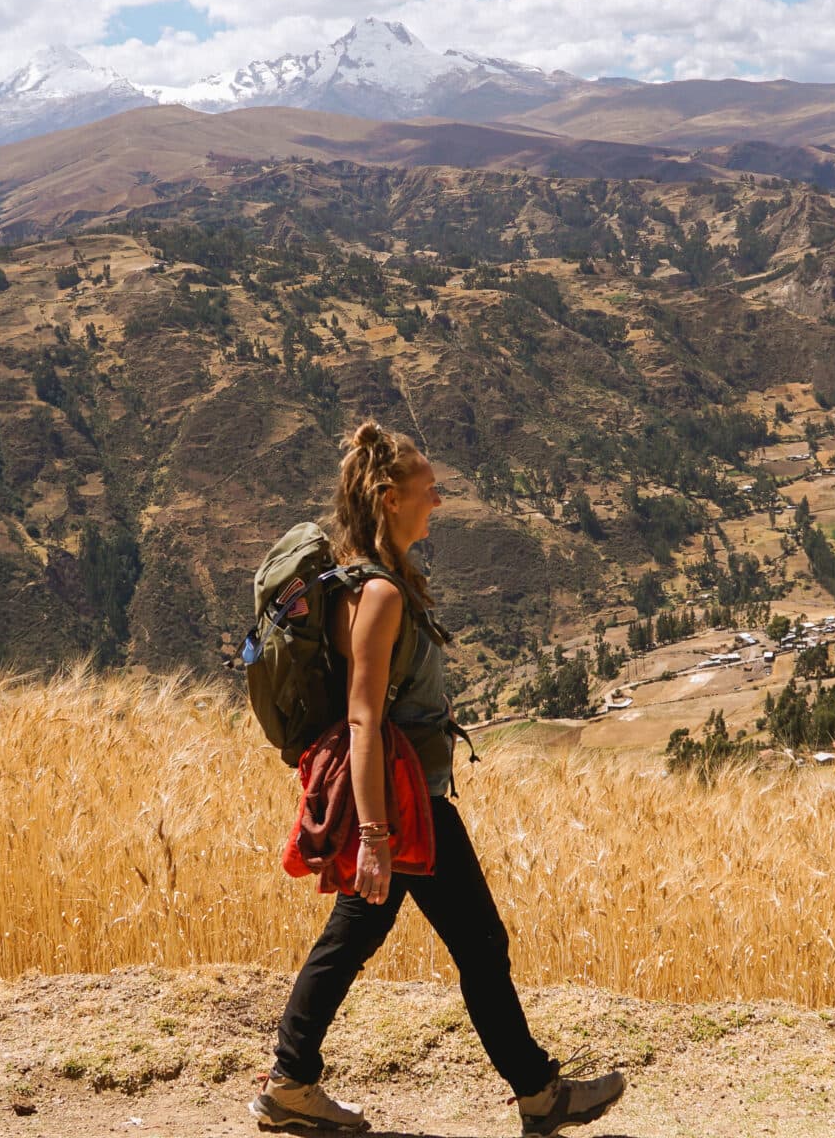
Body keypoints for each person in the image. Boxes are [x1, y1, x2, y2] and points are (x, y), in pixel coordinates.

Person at [251, 422, 628, 1137]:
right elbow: (363, 719)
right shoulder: (378, 594)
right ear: (390, 498)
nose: (442, 503)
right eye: (432, 492)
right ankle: (541, 1096)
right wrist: (373, 833)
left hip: (400, 798)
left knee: (361, 934)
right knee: (480, 944)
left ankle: (290, 1079)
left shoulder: (354, 575)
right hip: (404, 800)